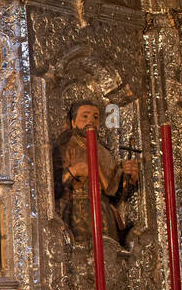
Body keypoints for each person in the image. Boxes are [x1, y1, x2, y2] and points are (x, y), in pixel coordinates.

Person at [53, 101, 139, 246]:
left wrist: (129, 178)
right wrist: (73, 171)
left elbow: (114, 194)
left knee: (108, 251)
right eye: (85, 116)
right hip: (75, 213)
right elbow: (52, 187)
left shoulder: (104, 152)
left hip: (104, 215)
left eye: (95, 117)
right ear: (73, 122)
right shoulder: (65, 148)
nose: (91, 121)